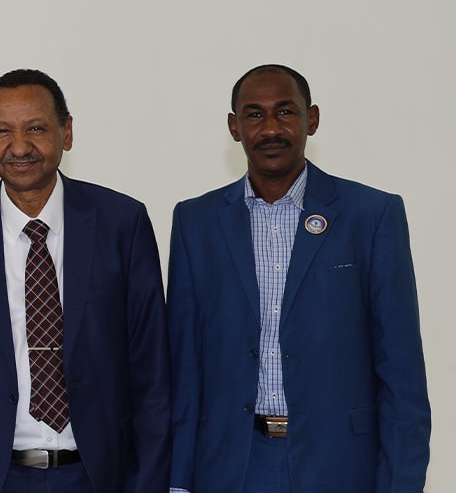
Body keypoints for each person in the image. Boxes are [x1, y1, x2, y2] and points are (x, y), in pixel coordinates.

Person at [166, 64, 428, 493]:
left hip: (341, 465)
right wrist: (178, 481)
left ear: (313, 119)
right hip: (231, 467)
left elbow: (402, 375)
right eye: (254, 114)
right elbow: (185, 368)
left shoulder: (371, 216)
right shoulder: (196, 222)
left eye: (285, 112)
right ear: (234, 127)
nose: (271, 128)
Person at [0, 69, 168, 493]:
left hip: (99, 475)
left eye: (36, 129)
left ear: (67, 132)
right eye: (2, 131)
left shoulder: (122, 224)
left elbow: (152, 370)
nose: (19, 146)